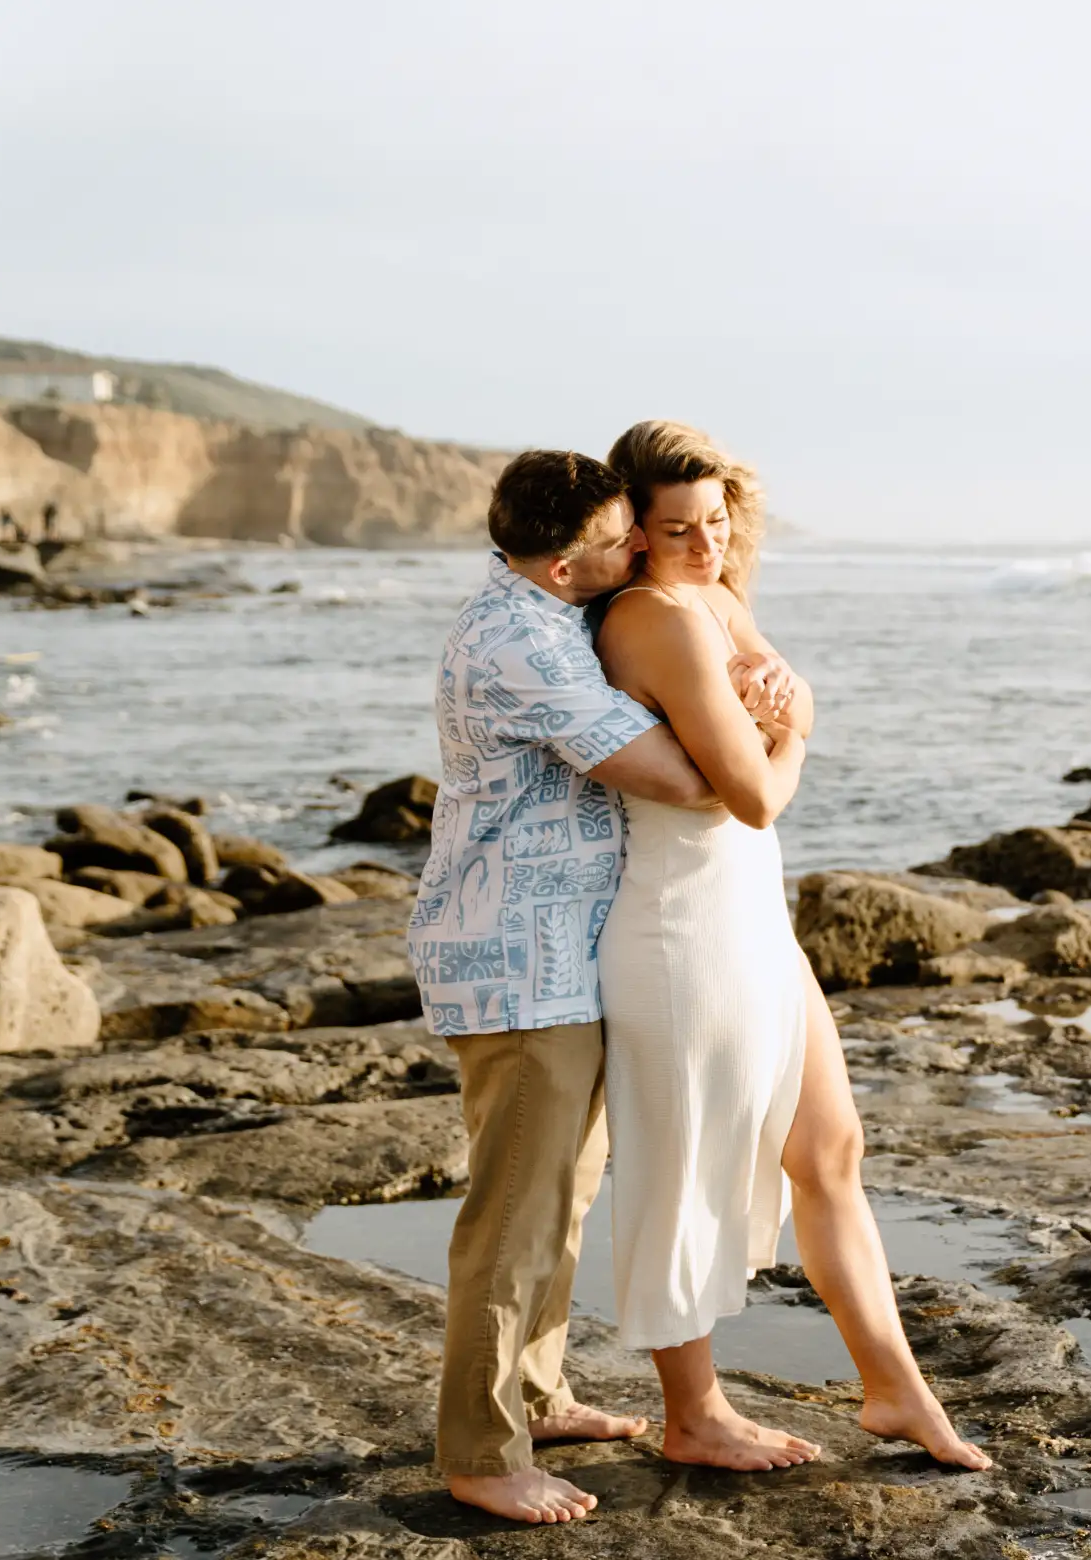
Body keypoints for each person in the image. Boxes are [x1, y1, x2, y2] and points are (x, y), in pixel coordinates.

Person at [593, 419, 991, 1474]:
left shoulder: (716, 596)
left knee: (830, 1151)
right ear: (631, 530)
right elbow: (758, 794)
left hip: (751, 920)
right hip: (678, 931)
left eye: (716, 521)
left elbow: (783, 700)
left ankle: (895, 1394)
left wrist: (790, 707)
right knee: (678, 1176)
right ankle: (694, 1414)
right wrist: (796, 727)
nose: (702, 543)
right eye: (674, 527)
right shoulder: (652, 619)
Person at [407, 450, 722, 1525]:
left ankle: (535, 1394)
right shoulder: (523, 643)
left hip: (553, 953)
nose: (636, 546)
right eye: (615, 537)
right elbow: (679, 779)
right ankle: (483, 1452)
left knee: (560, 1199)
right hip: (515, 963)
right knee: (513, 1218)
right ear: (559, 562)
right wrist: (765, 724)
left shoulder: (542, 617)